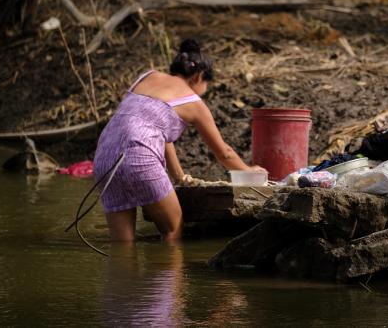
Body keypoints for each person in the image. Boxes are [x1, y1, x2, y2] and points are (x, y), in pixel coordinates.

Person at [92, 39, 263, 242]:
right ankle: (171, 272)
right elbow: (224, 153)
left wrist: (179, 176)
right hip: (139, 154)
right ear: (199, 76)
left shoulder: (147, 76)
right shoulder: (193, 102)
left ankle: (124, 273)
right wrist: (248, 170)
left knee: (122, 243)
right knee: (172, 228)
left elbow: (160, 134)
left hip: (104, 156)